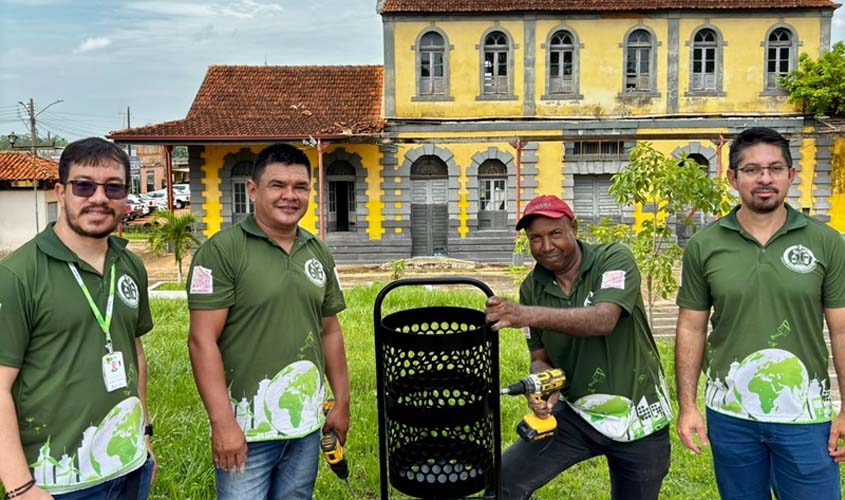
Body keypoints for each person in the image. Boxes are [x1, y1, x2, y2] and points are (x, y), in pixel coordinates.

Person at [675, 127, 845, 499]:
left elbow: (841, 330)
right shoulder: (704, 245)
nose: (764, 178)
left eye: (775, 168)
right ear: (732, 177)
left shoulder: (827, 242)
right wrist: (687, 406)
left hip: (804, 411)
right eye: (752, 170)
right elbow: (691, 328)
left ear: (791, 175)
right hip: (730, 413)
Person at [187, 143, 350, 500]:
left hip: (305, 425)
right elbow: (201, 341)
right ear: (252, 190)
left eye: (300, 187)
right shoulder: (223, 251)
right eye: (277, 185)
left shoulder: (317, 251)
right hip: (246, 430)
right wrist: (222, 423)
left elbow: (330, 331)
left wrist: (342, 401)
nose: (290, 196)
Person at [485, 194, 671, 500]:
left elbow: (604, 320)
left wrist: (524, 314)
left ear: (573, 227)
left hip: (639, 415)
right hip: (576, 413)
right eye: (535, 238)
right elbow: (539, 357)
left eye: (555, 233)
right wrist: (541, 382)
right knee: (503, 481)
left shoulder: (613, 259)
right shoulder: (532, 287)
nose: (546, 246)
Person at [0, 137, 156, 500]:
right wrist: (21, 487)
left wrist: (145, 436)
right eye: (84, 186)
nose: (99, 198)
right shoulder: (18, 275)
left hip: (129, 466)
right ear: (61, 192)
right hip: (57, 483)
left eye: (113, 187)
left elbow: (134, 351)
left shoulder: (129, 265)